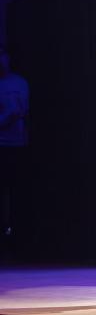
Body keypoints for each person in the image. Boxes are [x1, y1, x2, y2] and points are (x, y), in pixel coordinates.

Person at [0, 43, 29, 247]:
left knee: (13, 189)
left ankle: (15, 232)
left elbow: (21, 109)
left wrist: (9, 115)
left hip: (15, 143)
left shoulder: (19, 83)